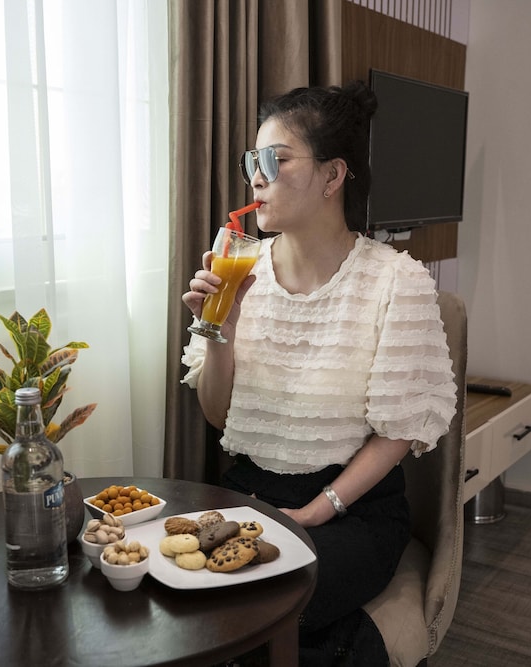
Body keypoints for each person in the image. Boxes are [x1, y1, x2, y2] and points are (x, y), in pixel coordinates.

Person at [180, 81, 457, 666]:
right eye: (252, 161)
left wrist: (315, 512)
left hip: (353, 508)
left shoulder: (396, 282)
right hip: (250, 494)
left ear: (333, 176)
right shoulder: (240, 268)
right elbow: (218, 416)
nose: (256, 179)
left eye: (275, 161)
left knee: (265, 605)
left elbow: (399, 432)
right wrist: (221, 327)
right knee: (186, 597)